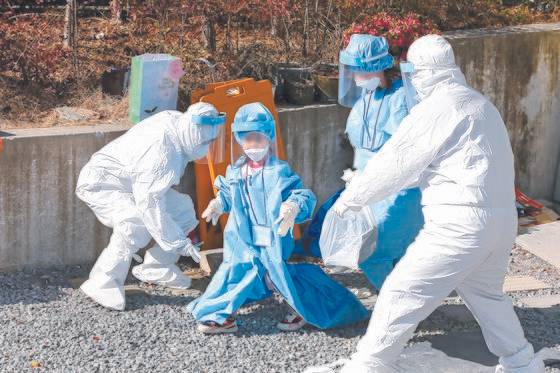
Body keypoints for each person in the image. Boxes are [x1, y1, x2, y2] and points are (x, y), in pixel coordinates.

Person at [306, 35, 548, 373]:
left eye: (415, 72)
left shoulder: (437, 109)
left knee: (402, 289)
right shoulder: (479, 104)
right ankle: (521, 362)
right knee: (487, 296)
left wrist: (352, 199)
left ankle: (368, 365)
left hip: (460, 224)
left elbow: (397, 161)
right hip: (501, 222)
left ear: (423, 72)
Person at [187, 102, 368, 334]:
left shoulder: (278, 171)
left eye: (258, 138)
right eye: (247, 138)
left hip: (272, 237)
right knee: (234, 272)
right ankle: (220, 315)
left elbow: (301, 195)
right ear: (239, 140)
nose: (253, 144)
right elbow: (230, 194)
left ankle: (313, 306)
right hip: (242, 239)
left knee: (278, 276)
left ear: (268, 139)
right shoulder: (236, 171)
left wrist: (292, 207)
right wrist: (219, 203)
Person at [76, 102, 226, 311]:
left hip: (134, 182)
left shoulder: (179, 125)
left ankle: (156, 266)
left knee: (182, 210)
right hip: (103, 184)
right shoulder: (162, 150)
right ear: (193, 133)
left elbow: (149, 191)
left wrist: (175, 240)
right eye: (204, 141)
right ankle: (103, 281)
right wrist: (177, 242)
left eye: (211, 141)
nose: (207, 148)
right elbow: (150, 203)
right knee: (134, 221)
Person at [308, 34, 423, 289]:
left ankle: (401, 301)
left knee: (373, 251)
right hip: (366, 189)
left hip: (397, 192)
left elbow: (405, 152)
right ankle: (404, 300)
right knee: (380, 253)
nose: (355, 76)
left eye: (359, 69)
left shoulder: (399, 99)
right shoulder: (364, 98)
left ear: (375, 68)